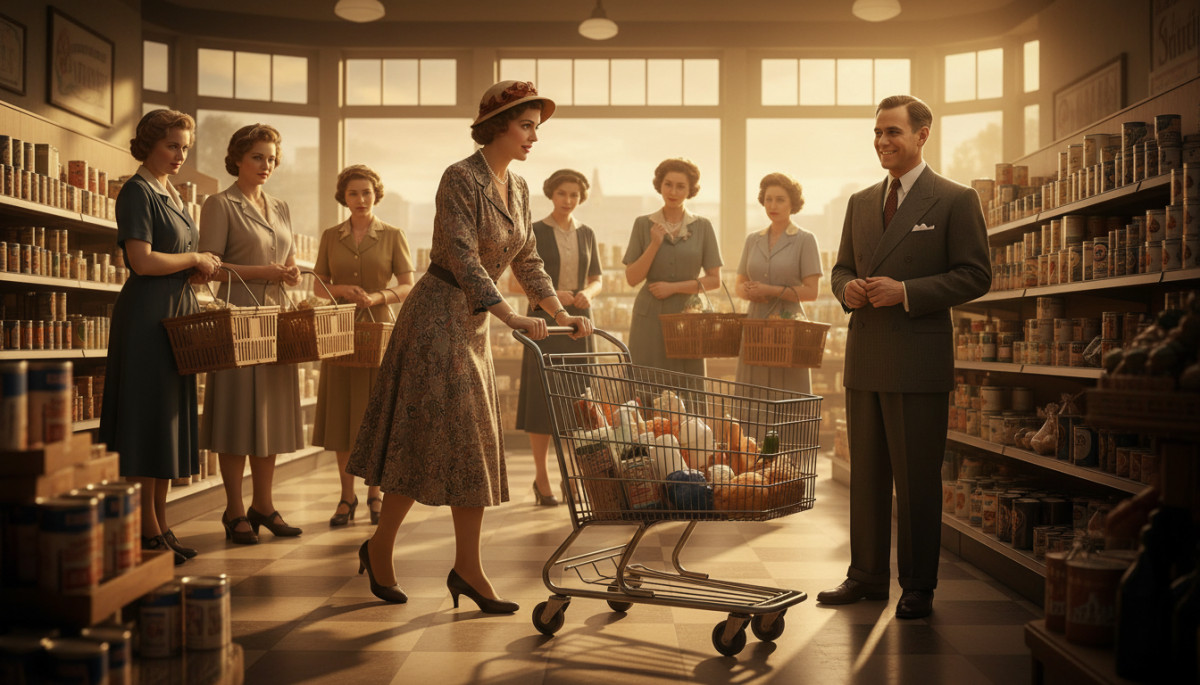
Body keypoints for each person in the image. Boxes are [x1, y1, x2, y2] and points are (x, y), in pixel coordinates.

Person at [347, 81, 592, 610]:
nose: (533, 137)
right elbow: (462, 256)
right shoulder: (459, 178)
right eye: (525, 126)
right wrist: (509, 315)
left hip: (473, 325)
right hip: (436, 317)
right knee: (426, 434)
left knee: (470, 443)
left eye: (536, 128)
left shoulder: (521, 188)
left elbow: (527, 260)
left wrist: (557, 311)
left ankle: (465, 567)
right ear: (498, 126)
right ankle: (384, 545)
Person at [822, 95, 991, 619]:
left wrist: (908, 292)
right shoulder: (860, 201)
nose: (882, 141)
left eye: (892, 132)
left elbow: (976, 275)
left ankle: (918, 584)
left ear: (922, 135)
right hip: (866, 356)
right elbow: (841, 268)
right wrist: (846, 289)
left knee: (917, 480)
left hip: (917, 359)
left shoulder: (954, 199)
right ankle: (866, 575)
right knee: (867, 474)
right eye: (877, 133)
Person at [100, 109, 221, 566]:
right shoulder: (137, 192)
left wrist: (191, 268)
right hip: (147, 317)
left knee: (165, 419)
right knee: (146, 418)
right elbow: (143, 261)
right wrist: (193, 257)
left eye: (185, 147)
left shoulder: (168, 191)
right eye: (172, 145)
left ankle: (160, 522)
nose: (179, 155)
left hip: (174, 312)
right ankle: (147, 529)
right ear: (149, 143)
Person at [199, 123, 306, 545]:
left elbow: (288, 257)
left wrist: (291, 272)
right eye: (258, 157)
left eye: (272, 158)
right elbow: (210, 265)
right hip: (238, 318)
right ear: (238, 159)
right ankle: (234, 509)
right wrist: (265, 272)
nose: (266, 165)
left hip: (276, 317)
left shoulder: (279, 206)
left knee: (270, 414)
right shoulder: (219, 204)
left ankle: (265, 505)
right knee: (235, 412)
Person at [312, 164, 414, 526]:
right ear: (344, 197)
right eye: (353, 193)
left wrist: (376, 297)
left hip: (381, 334)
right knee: (342, 417)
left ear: (376, 195)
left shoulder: (392, 234)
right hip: (339, 332)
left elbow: (406, 285)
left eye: (366, 192)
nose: (360, 199)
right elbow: (318, 285)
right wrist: (341, 291)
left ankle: (375, 494)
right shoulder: (330, 235)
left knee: (377, 416)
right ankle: (346, 497)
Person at [515, 169, 602, 506]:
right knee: (542, 402)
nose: (568, 201)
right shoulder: (533, 232)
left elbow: (597, 278)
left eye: (574, 195)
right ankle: (542, 477)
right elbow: (515, 282)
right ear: (551, 194)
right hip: (543, 324)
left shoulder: (587, 233)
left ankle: (574, 475)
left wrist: (588, 295)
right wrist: (555, 296)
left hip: (580, 325)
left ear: (581, 198)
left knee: (579, 404)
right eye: (562, 194)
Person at [622, 158, 723, 377]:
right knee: (647, 379)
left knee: (688, 383)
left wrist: (673, 288)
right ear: (660, 185)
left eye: (681, 186)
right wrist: (654, 244)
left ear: (690, 190)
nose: (673, 191)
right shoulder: (642, 224)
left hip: (688, 315)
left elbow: (715, 280)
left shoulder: (703, 226)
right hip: (648, 315)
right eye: (668, 184)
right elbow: (631, 278)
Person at [734, 173, 822, 395]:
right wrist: (748, 292)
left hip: (789, 326)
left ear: (793, 203)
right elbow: (738, 285)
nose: (773, 205)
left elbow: (812, 292)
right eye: (768, 199)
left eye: (780, 199)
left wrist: (769, 290)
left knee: (786, 396)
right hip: (755, 324)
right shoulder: (752, 239)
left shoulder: (805, 240)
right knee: (752, 394)